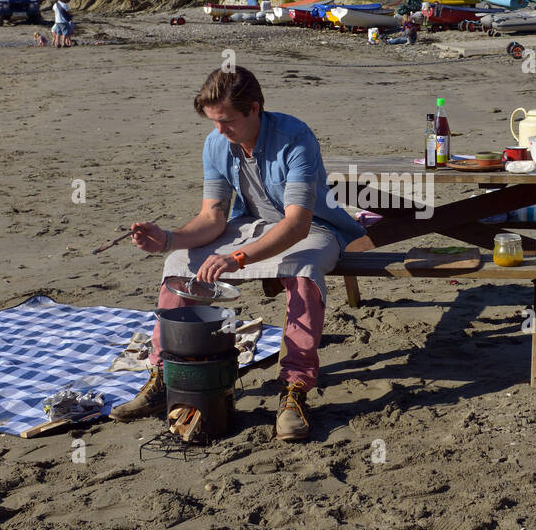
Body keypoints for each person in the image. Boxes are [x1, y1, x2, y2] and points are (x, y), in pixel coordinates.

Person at [112, 66, 365, 441]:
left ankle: (294, 389)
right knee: (178, 263)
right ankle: (165, 376)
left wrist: (238, 258)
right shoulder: (216, 144)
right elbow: (213, 216)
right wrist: (167, 238)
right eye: (214, 122)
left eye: (227, 121)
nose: (219, 131)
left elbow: (296, 224)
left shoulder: (296, 137)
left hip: (313, 227)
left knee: (302, 268)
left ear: (255, 109)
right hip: (249, 224)